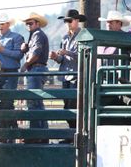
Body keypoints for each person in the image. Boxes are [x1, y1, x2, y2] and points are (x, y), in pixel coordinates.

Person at [0, 13, 24, 140]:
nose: (0, 26)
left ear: (8, 25)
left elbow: (19, 55)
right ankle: (4, 132)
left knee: (7, 101)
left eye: (2, 24)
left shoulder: (17, 37)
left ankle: (10, 132)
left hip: (10, 72)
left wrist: (3, 51)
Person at [49, 9, 86, 141]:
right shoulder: (65, 38)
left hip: (76, 78)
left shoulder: (83, 36)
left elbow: (82, 56)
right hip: (66, 77)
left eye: (69, 21)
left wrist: (66, 53)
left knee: (73, 107)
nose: (68, 23)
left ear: (76, 21)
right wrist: (55, 57)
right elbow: (62, 60)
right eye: (66, 21)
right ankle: (72, 136)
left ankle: (74, 136)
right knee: (67, 108)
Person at [20, 12, 50, 140]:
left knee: (33, 102)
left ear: (37, 24)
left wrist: (25, 64)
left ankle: (36, 134)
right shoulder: (34, 35)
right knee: (37, 102)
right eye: (27, 23)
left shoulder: (37, 35)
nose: (28, 25)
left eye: (30, 23)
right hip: (37, 69)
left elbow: (36, 53)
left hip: (36, 69)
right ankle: (41, 134)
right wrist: (25, 49)